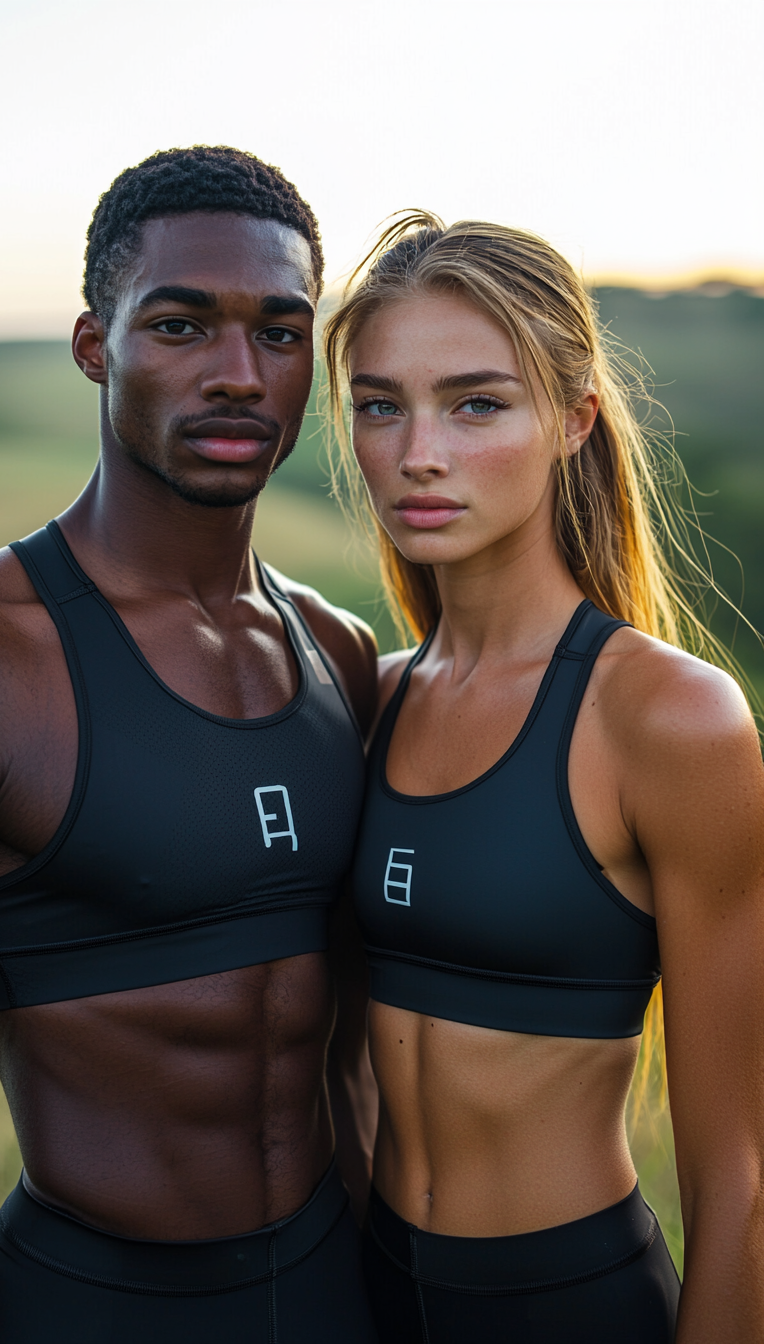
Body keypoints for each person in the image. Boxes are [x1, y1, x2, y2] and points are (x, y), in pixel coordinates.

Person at [0, 146, 380, 1344]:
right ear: (96, 345)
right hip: (87, 1309)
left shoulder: (340, 656)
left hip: (332, 1295)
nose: (240, 376)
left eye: (280, 331)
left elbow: (360, 1060)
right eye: (182, 326)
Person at [323, 215, 764, 1343]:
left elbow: (742, 1185)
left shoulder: (667, 720)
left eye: (475, 403)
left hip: (567, 1309)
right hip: (368, 1295)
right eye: (379, 405)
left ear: (572, 422)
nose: (417, 450)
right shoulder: (362, 704)